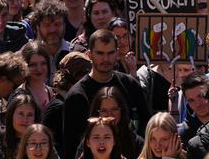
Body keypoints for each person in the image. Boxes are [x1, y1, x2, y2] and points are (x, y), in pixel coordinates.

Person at [62, 29, 150, 159]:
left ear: (117, 52)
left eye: (110, 53)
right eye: (100, 53)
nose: (106, 59)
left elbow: (145, 125)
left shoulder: (130, 85)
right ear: (89, 54)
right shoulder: (77, 96)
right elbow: (70, 145)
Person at [0, 94, 39, 159]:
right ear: (11, 116)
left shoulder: (43, 144)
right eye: (21, 114)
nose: (25, 119)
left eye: (30, 115)